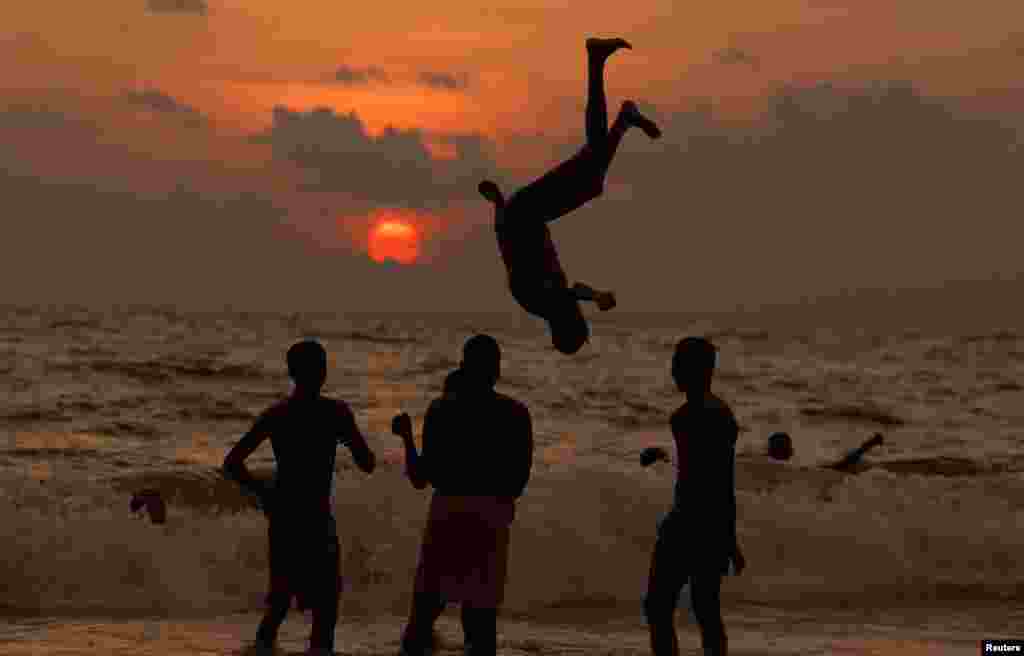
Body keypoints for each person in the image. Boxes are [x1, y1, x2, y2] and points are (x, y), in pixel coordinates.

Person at [478, 37, 662, 355]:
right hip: (527, 212)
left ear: (569, 322)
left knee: (593, 160)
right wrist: (498, 203)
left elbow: (571, 290)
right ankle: (624, 119)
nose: (581, 315)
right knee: (593, 179)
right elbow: (505, 249)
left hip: (527, 211)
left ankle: (596, 61)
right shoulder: (540, 302)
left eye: (580, 320)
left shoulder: (545, 301)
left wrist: (598, 296)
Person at [222, 339, 376, 656]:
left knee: (279, 601)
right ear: (323, 372)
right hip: (317, 520)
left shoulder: (278, 414)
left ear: (291, 373)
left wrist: (263, 492)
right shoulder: (336, 413)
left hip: (285, 518)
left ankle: (260, 649)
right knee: (326, 606)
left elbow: (232, 463)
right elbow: (367, 462)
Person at [391, 335, 534, 656]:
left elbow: (419, 479)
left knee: (424, 614)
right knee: (481, 623)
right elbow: (519, 482)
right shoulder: (516, 413)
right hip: (491, 516)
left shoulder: (441, 410)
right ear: (497, 371)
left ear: (463, 366)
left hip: (448, 512)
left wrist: (406, 439)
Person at [639, 337, 744, 656]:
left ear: (698, 369)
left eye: (678, 362)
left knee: (660, 606)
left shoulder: (695, 417)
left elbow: (718, 481)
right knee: (704, 609)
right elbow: (707, 474)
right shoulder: (709, 414)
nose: (673, 368)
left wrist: (729, 538)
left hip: (690, 523)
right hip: (704, 524)